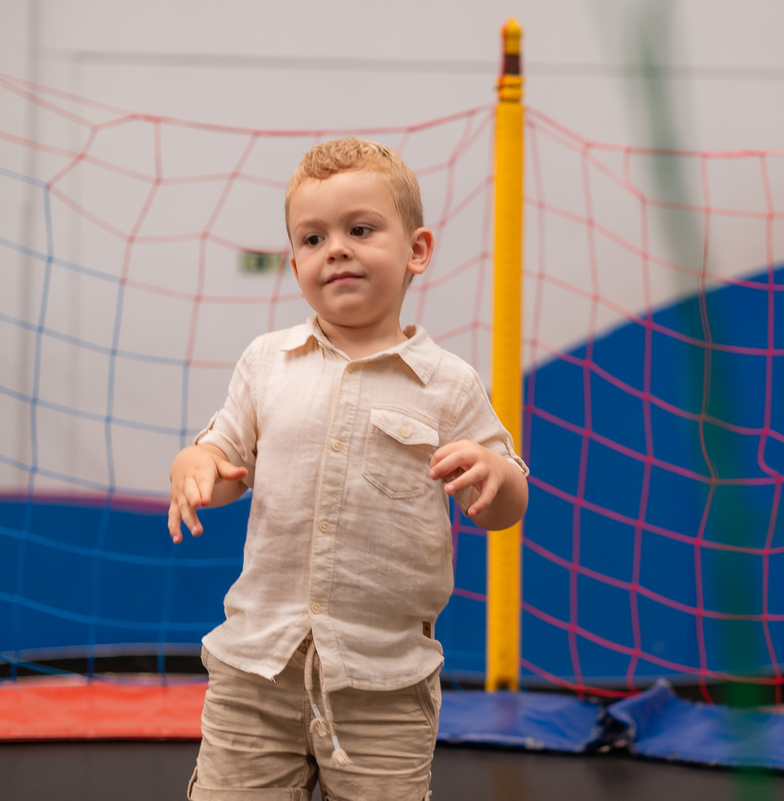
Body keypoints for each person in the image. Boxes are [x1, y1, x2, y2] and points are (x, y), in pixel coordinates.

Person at [167, 137, 529, 801]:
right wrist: (195, 466)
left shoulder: (448, 384)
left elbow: (508, 503)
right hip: (257, 667)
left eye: (359, 229)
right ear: (296, 259)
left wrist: (492, 473)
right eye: (311, 238)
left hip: (384, 681)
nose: (334, 248)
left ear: (417, 250)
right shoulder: (266, 362)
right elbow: (222, 458)